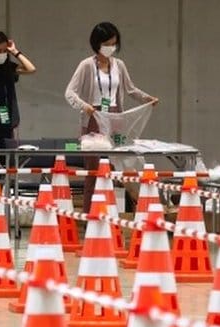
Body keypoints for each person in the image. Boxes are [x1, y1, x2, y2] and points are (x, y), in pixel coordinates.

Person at [65, 21, 158, 213]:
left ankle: (117, 211)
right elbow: (70, 93)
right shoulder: (86, 66)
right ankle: (90, 213)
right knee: (93, 169)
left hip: (115, 117)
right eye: (107, 44)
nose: (111, 48)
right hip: (94, 117)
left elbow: (130, 89)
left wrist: (147, 99)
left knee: (120, 163)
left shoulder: (119, 65)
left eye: (114, 43)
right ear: (97, 44)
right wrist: (86, 107)